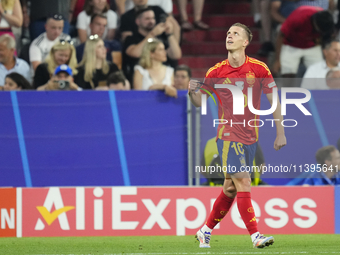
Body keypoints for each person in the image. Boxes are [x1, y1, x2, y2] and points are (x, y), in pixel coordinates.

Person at [188, 23, 287, 248]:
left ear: (245, 42)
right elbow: (199, 102)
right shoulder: (215, 72)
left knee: (230, 188)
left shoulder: (260, 69)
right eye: (227, 33)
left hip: (250, 138)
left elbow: (274, 101)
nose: (229, 36)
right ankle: (255, 236)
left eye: (235, 33)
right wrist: (191, 92)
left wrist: (280, 132)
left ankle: (205, 230)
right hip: (228, 136)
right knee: (243, 181)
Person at [123, 8, 181, 84]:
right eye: (147, 19)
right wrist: (152, 34)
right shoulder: (131, 39)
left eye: (153, 18)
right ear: (138, 21)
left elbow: (176, 55)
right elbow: (135, 53)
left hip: (163, 76)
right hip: (140, 78)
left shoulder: (161, 38)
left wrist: (169, 34)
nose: (151, 21)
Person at [273, 6, 335, 78]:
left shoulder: (327, 20)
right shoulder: (299, 17)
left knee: (319, 73)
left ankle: (316, 89)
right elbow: (281, 35)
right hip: (291, 44)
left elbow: (327, 39)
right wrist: (277, 60)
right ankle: (288, 89)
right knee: (288, 73)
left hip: (312, 45)